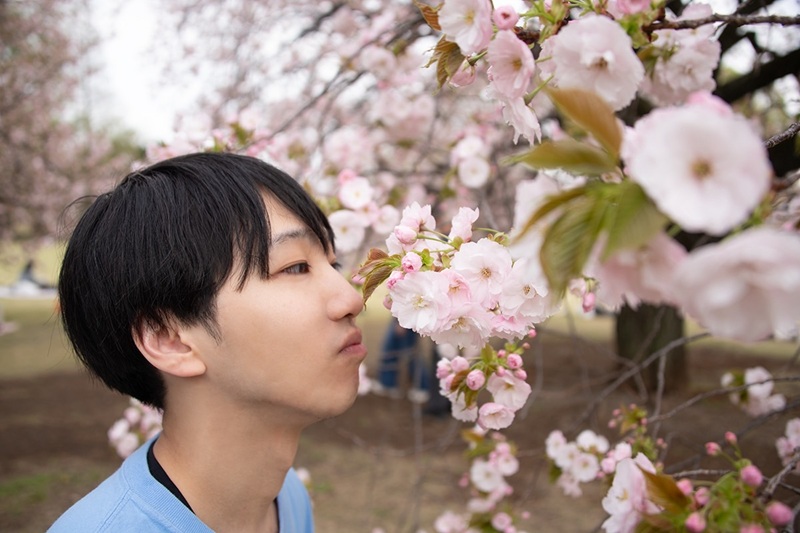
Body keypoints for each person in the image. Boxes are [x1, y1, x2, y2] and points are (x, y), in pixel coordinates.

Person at [49, 152, 367, 533]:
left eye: (333, 264)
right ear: (169, 338)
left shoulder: (288, 499)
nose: (351, 299)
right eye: (295, 267)